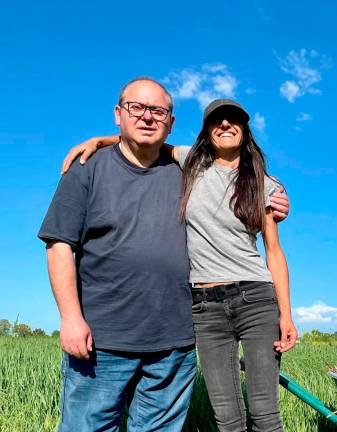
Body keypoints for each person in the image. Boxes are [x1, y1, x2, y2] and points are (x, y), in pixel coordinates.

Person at [39, 78, 288, 432]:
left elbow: (240, 183)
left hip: (175, 343)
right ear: (118, 114)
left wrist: (276, 196)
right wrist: (70, 317)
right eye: (136, 108)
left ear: (170, 122)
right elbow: (58, 244)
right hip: (105, 339)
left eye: (158, 111)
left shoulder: (188, 170)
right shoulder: (92, 167)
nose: (147, 117)